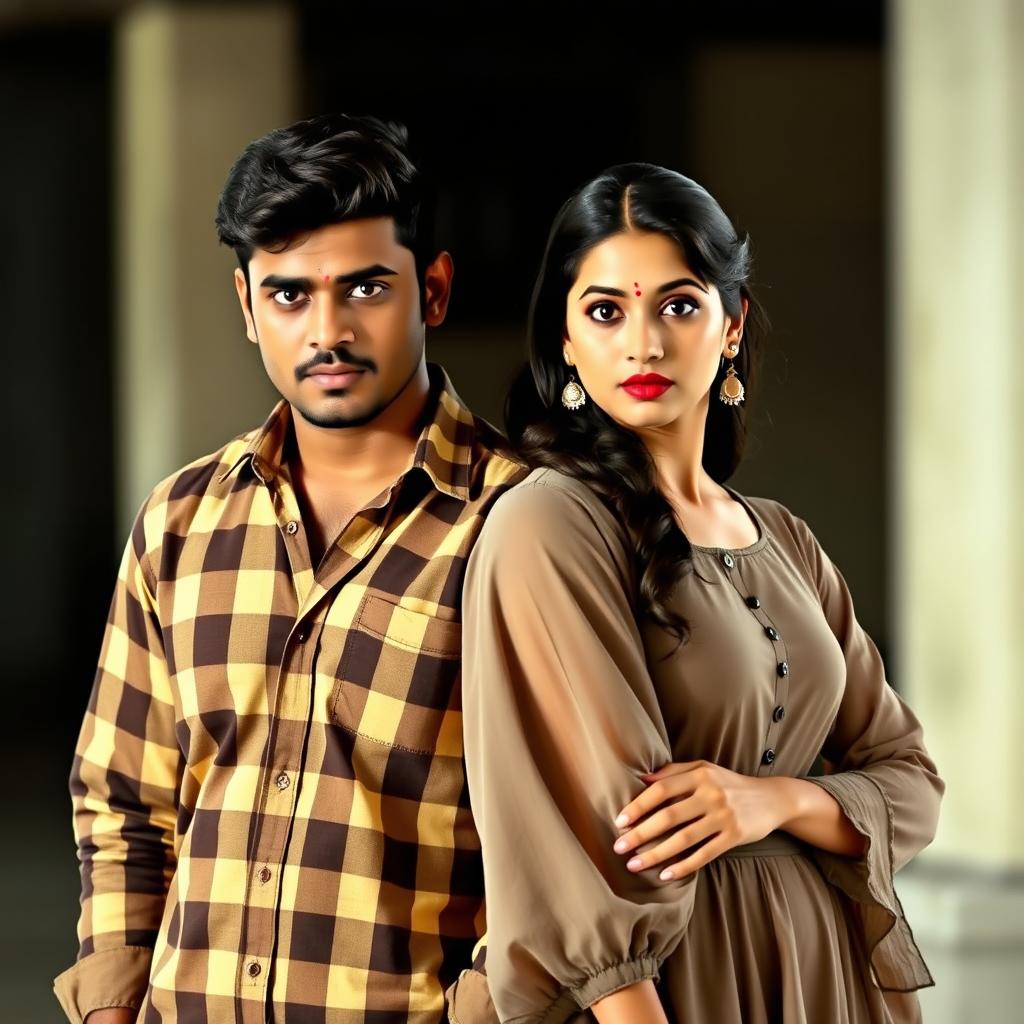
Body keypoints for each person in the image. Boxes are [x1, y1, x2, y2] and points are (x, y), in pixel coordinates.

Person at [53, 112, 527, 1024]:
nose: (328, 331)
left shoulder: (526, 525)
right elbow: (123, 806)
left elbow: (566, 846)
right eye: (290, 295)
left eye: (364, 289)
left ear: (432, 290)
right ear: (246, 305)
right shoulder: (183, 520)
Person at [453, 163, 944, 1024]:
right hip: (667, 991)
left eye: (677, 305)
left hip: (818, 974)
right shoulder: (549, 526)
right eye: (605, 311)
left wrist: (777, 801)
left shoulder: (783, 538)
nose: (643, 343)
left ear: (731, 325)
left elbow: (911, 783)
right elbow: (595, 859)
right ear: (565, 341)